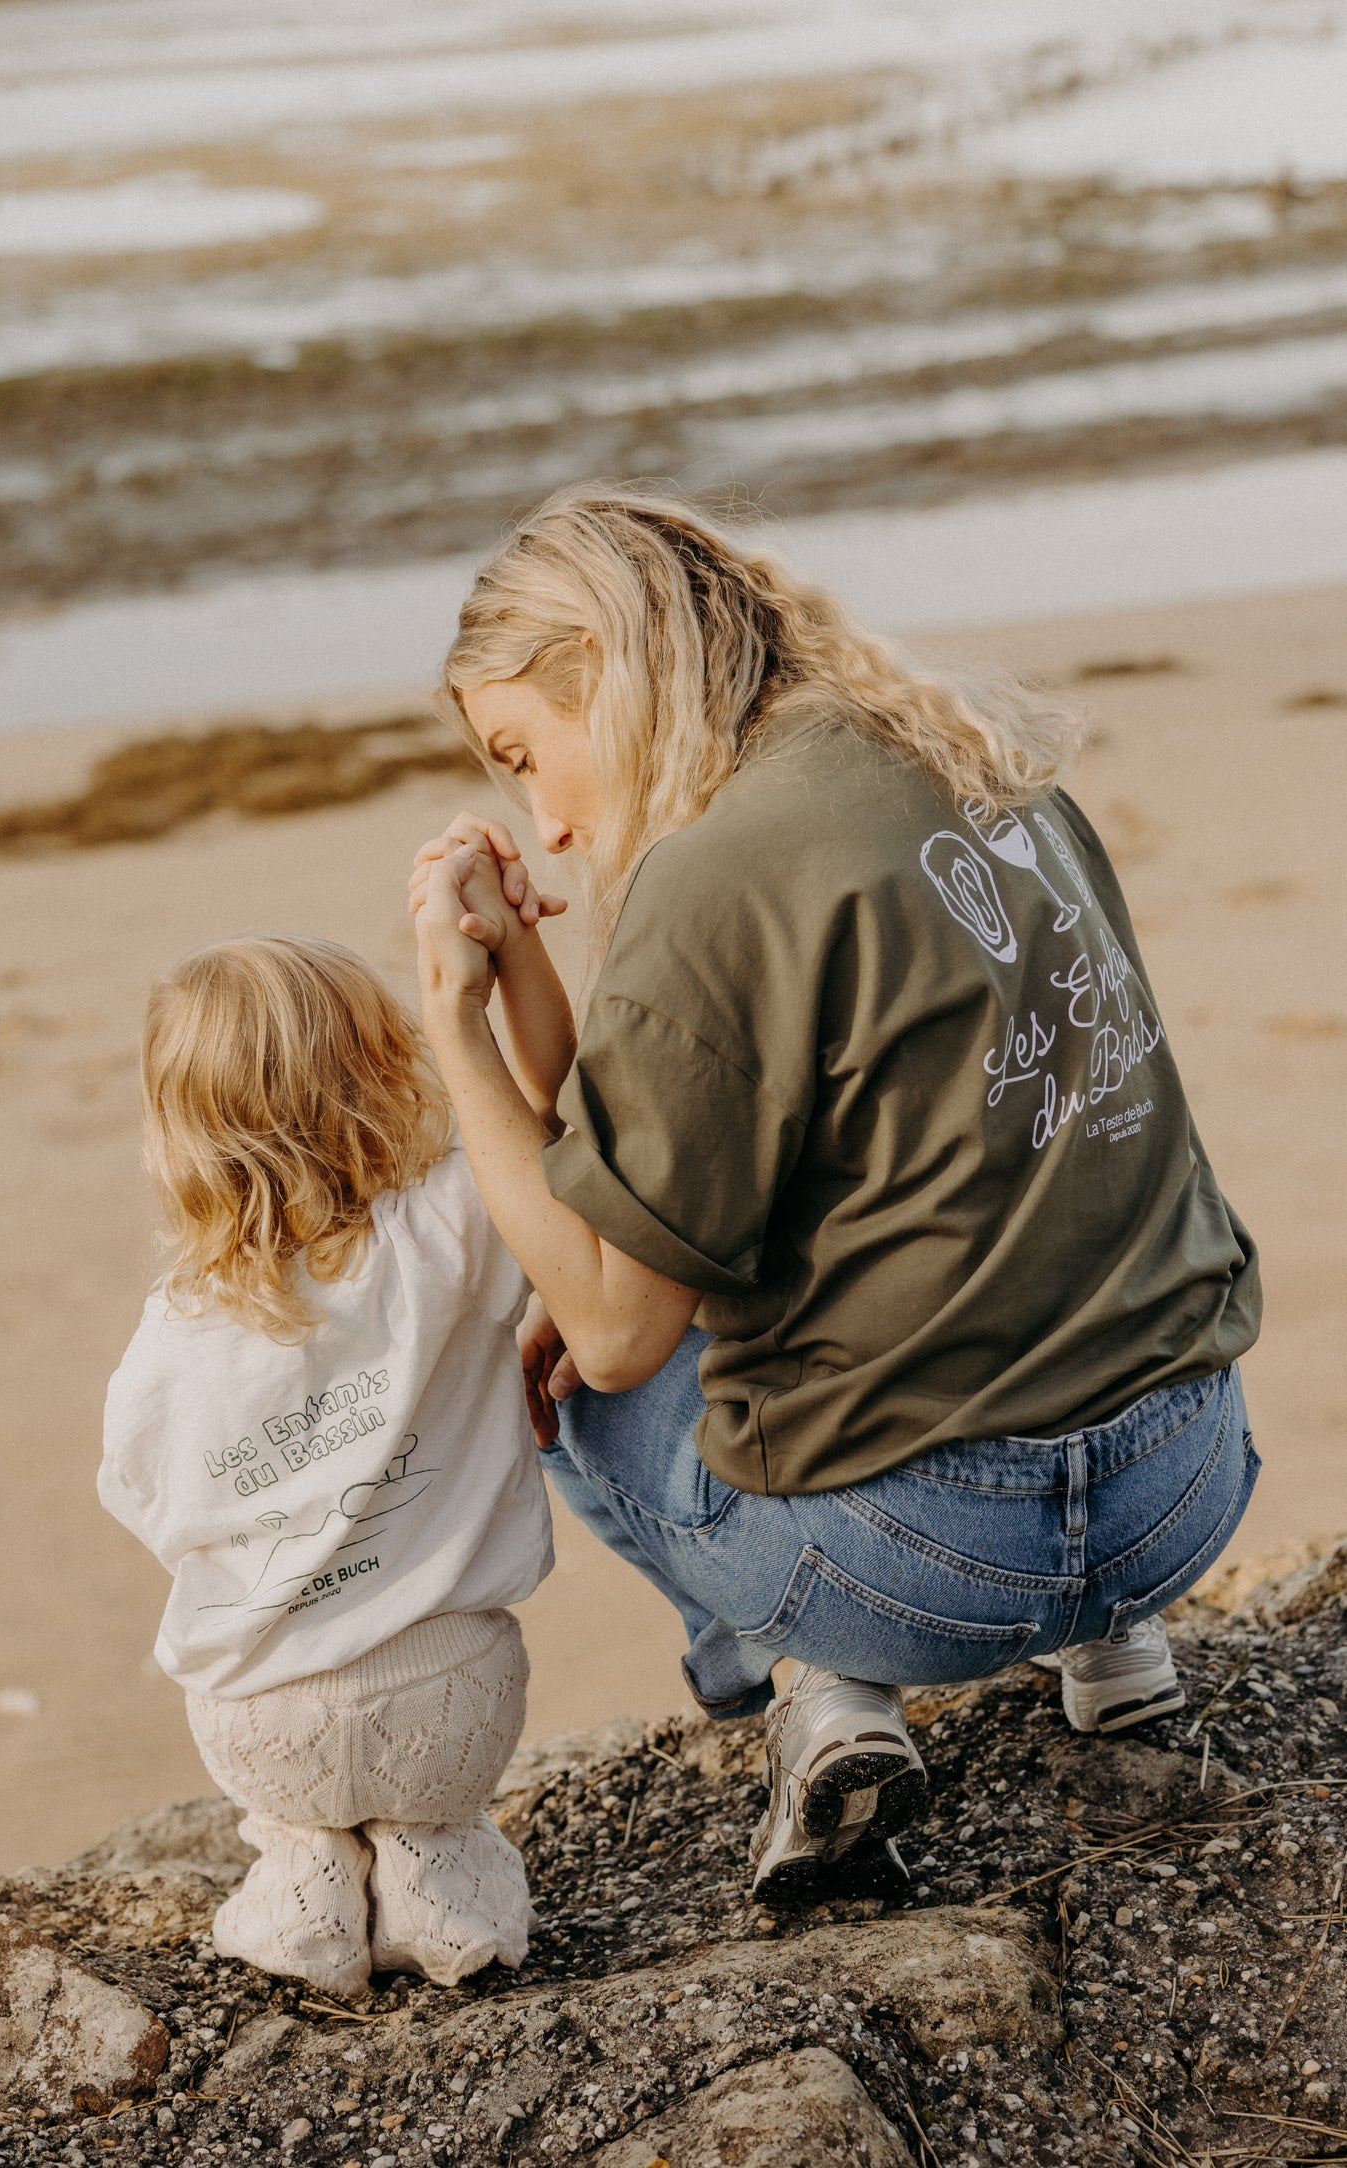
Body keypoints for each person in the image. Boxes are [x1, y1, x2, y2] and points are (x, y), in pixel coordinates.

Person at [410, 485, 1263, 1904]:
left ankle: (821, 1690)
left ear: (607, 674)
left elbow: (617, 1330)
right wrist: (527, 984)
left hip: (946, 1559)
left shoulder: (719, 873)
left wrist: (452, 1024)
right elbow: (629, 1162)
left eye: (524, 755)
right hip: (1180, 1484)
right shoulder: (974, 759)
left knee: (559, 1375)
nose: (543, 824)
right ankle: (1120, 1658)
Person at [98, 926, 572, 1993]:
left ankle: (306, 1880)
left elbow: (139, 1490)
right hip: (449, 1687)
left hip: (261, 1712)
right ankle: (437, 1880)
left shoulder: (178, 1328)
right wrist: (505, 956)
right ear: (382, 1073)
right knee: (436, 1811)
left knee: (293, 1813)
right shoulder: (447, 1229)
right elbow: (553, 1105)